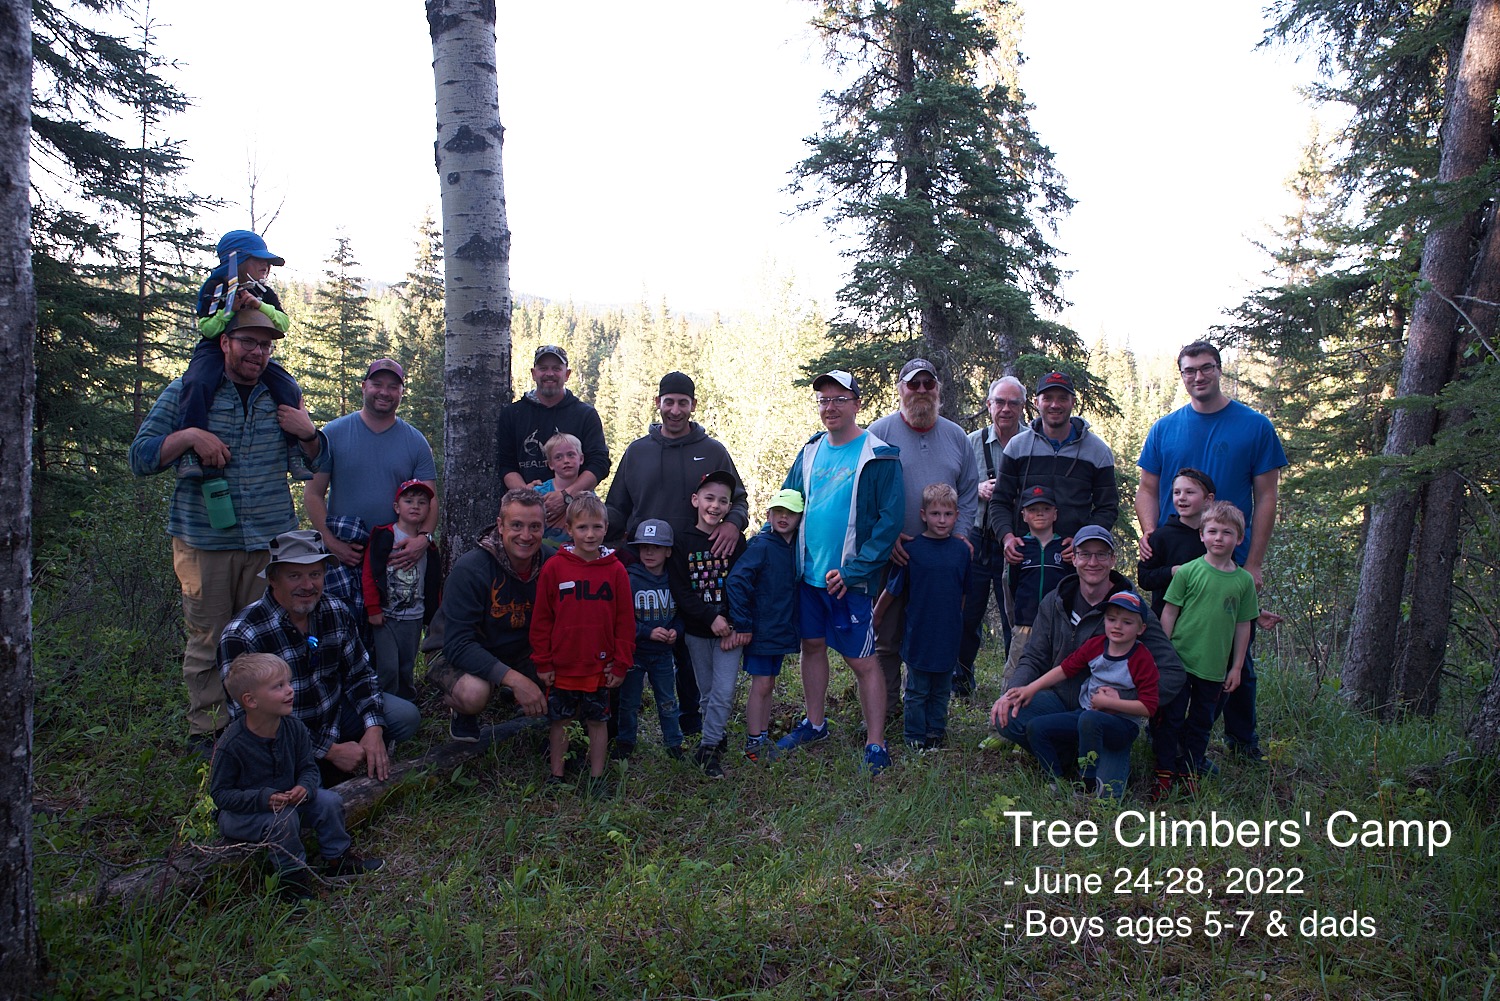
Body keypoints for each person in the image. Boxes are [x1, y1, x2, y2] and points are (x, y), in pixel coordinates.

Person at [130, 309, 327, 753]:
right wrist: (189, 437)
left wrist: (311, 433)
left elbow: (310, 466)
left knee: (270, 638)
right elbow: (140, 457)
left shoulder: (280, 396)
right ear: (225, 342)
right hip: (205, 542)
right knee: (209, 640)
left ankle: (265, 730)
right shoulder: (187, 393)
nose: (258, 353)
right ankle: (212, 736)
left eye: (266, 345)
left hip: (270, 545)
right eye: (248, 342)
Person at [1136, 340, 1288, 761]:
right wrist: (1150, 533)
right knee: (1167, 646)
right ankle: (1164, 738)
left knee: (1235, 655)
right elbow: (1147, 488)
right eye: (1189, 370)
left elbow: (1267, 498)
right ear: (1181, 375)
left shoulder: (1254, 426)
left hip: (1226, 559)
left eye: (1205, 368)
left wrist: (1253, 562)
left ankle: (1241, 742)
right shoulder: (1165, 428)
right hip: (1173, 558)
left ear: (1219, 370)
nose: (1197, 377)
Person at [605, 371, 751, 735]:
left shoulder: (713, 451)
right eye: (668, 401)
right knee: (638, 639)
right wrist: (587, 525)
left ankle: (691, 722)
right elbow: (617, 508)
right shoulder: (637, 452)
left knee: (689, 643)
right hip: (645, 564)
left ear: (693, 406)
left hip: (694, 566)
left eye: (682, 402)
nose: (674, 409)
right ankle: (623, 725)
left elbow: (738, 499)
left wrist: (734, 522)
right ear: (658, 403)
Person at [989, 526, 1185, 796]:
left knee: (1108, 795)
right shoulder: (1054, 601)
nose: (1093, 562)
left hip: (1107, 716)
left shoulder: (1131, 610)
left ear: (1112, 559)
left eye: (1101, 555)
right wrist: (1014, 690)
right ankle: (1066, 752)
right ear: (1075, 558)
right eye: (1085, 554)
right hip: (1060, 701)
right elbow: (1033, 657)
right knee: (1008, 716)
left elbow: (1172, 671)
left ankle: (1088, 755)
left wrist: (1122, 699)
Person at [775, 370, 904, 776]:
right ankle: (815, 724)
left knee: (863, 660)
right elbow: (789, 500)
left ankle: (876, 742)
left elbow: (888, 523)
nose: (830, 407)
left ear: (857, 404)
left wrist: (853, 572)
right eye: (823, 401)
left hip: (851, 582)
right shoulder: (811, 451)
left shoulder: (879, 455)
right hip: (809, 575)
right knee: (811, 646)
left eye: (839, 399)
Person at [217, 530, 421, 785]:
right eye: (294, 576)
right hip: (280, 736)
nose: (308, 585)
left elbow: (361, 674)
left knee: (404, 717)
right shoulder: (243, 634)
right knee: (299, 792)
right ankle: (318, 770)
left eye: (315, 574)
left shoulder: (335, 611)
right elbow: (249, 719)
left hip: (332, 716)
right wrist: (330, 751)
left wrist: (373, 728)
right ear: (273, 579)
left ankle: (344, 760)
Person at [212, 653, 381, 900]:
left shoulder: (294, 728)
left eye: (288, 683)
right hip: (242, 815)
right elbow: (220, 794)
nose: (290, 691)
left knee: (329, 801)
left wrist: (305, 786)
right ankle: (292, 882)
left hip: (289, 802)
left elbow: (308, 768)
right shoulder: (232, 744)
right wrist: (263, 799)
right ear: (251, 700)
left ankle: (337, 860)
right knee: (284, 820)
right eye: (279, 686)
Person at [866, 358, 979, 717]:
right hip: (895, 555)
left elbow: (969, 491)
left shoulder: (956, 436)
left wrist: (960, 535)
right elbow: (863, 493)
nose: (921, 391)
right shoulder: (878, 433)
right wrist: (885, 537)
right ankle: (886, 710)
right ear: (900, 389)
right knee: (887, 638)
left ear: (938, 390)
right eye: (913, 385)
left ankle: (929, 707)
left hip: (941, 560)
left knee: (935, 631)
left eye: (928, 384)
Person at [305, 358, 438, 617]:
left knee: (388, 633)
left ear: (401, 393)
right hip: (345, 552)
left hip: (394, 556)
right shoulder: (333, 433)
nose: (384, 392)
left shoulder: (415, 442)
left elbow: (430, 499)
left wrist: (423, 539)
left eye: (393, 387)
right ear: (364, 386)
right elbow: (312, 494)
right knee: (339, 625)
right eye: (377, 384)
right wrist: (331, 543)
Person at [1006, 590, 1159, 798]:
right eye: (1111, 619)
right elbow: (1065, 669)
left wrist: (1111, 703)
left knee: (1107, 793)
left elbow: (1149, 708)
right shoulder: (1096, 646)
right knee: (1036, 727)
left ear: (1141, 629)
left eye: (1127, 622)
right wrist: (1030, 688)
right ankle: (1055, 779)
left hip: (1122, 726)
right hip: (1085, 715)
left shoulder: (1142, 658)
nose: (1117, 626)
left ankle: (1086, 783)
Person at [427, 489, 553, 742]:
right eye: (516, 525)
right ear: (500, 525)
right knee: (474, 693)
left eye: (535, 526)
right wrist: (517, 680)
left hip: (520, 649)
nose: (526, 536)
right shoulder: (471, 569)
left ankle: (515, 694)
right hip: (454, 649)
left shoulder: (553, 564)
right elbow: (458, 644)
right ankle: (462, 711)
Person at [1153, 501, 1260, 799]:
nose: (1218, 538)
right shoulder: (1188, 572)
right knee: (1170, 718)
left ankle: (1190, 770)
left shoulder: (1243, 582)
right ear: (1201, 535)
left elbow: (1243, 626)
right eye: (1212, 531)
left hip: (1214, 668)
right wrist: (1164, 656)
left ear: (1239, 539)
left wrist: (1237, 666)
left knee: (1201, 722)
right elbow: (1170, 612)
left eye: (1227, 533)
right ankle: (1162, 771)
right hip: (1180, 661)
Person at [529, 493, 633, 792]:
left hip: (600, 668)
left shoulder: (615, 571)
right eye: (583, 527)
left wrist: (622, 663)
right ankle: (557, 775)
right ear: (569, 528)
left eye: (596, 527)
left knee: (597, 722)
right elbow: (542, 620)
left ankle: (597, 777)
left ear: (605, 528)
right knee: (560, 721)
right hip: (561, 666)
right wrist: (544, 661)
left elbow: (625, 622)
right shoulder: (555, 568)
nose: (590, 534)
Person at [179, 231, 300, 478]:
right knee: (197, 382)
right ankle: (188, 451)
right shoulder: (215, 288)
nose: (266, 266)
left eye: (268, 262)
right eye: (259, 260)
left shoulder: (263, 292)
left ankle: (294, 449)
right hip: (214, 348)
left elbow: (283, 324)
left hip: (255, 348)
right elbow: (207, 328)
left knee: (288, 386)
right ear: (239, 260)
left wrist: (259, 306)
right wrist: (228, 312)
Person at [874, 483, 971, 750]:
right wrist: (876, 618)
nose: (942, 520)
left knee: (941, 689)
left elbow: (964, 592)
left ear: (957, 515)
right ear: (923, 514)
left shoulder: (962, 551)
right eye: (936, 513)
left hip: (948, 632)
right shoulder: (912, 550)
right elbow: (892, 590)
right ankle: (914, 736)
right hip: (918, 631)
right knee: (917, 690)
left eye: (948, 514)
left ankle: (935, 733)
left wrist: (955, 620)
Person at [991, 370, 1118, 564]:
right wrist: (1006, 536)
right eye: (1048, 398)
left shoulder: (1097, 452)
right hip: (1025, 555)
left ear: (1073, 402)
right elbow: (1000, 500)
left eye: (1062, 398)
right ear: (1036, 402)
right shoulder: (1017, 447)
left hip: (1074, 558)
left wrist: (1084, 539)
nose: (1055, 405)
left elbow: (1107, 507)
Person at [670, 470, 748, 779]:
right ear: (695, 500)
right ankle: (716, 734)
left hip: (729, 633)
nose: (714, 506)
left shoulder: (735, 542)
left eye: (723, 501)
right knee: (706, 692)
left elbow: (742, 585)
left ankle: (708, 748)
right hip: (697, 631)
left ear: (730, 507)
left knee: (724, 691)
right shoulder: (682, 542)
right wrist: (708, 617)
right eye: (709, 498)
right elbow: (682, 590)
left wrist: (730, 621)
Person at [958, 375, 1027, 697]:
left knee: (1015, 616)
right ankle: (960, 681)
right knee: (966, 615)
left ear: (1023, 407)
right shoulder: (969, 442)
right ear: (989, 405)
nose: (1006, 409)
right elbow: (949, 489)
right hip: (974, 538)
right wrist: (976, 489)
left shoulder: (1032, 443)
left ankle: (1014, 684)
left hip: (1015, 542)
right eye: (1000, 402)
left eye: (1014, 403)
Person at [725, 489, 804, 764]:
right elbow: (736, 581)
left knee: (769, 683)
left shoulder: (794, 547)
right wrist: (743, 623)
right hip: (761, 628)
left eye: (791, 512)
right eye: (779, 511)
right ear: (768, 514)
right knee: (761, 684)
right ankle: (753, 743)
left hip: (780, 628)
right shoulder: (761, 545)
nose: (784, 517)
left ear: (800, 517)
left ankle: (761, 736)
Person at [496, 345, 611, 534]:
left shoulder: (585, 415)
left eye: (556, 368)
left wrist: (567, 497)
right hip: (526, 519)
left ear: (567, 374)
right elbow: (506, 465)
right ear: (534, 373)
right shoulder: (513, 414)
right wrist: (528, 497)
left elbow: (599, 464)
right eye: (543, 368)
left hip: (577, 518)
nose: (550, 373)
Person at [361, 480, 441, 700]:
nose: (415, 506)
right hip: (386, 616)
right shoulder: (384, 536)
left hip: (414, 616)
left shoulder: (428, 546)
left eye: (422, 502)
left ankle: (407, 703)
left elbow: (434, 581)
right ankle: (384, 707)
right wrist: (373, 608)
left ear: (428, 510)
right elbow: (369, 572)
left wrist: (433, 613)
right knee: (387, 665)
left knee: (407, 664)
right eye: (409, 501)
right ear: (397, 507)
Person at [619, 519, 685, 761]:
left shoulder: (673, 580)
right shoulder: (629, 578)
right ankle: (626, 741)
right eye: (644, 546)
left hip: (663, 654)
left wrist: (676, 631)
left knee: (668, 700)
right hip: (635, 652)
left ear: (668, 551)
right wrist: (647, 632)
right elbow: (622, 619)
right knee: (629, 701)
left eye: (656, 547)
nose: (649, 552)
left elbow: (681, 614)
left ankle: (674, 743)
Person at [1005, 485, 1070, 687]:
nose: (1039, 513)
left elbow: (1070, 587)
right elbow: (1011, 586)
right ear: (1024, 515)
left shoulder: (1066, 549)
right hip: (1025, 624)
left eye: (1046, 508)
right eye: (1033, 509)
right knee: (1016, 671)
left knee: (1051, 675)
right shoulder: (1019, 548)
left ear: (1055, 514)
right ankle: (1005, 713)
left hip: (1057, 625)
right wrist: (1018, 616)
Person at [1136, 468, 1215, 616]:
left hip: (1207, 619)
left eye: (1189, 492)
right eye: (1177, 492)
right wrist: (1172, 572)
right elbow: (1144, 579)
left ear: (1208, 499)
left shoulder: (1215, 537)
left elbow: (1228, 576)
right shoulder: (1160, 537)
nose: (1182, 497)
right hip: (1167, 623)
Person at [535, 432, 585, 546]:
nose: (566, 460)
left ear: (581, 459)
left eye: (571, 455)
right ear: (550, 464)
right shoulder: (539, 493)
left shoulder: (588, 495)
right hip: (542, 554)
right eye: (558, 457)